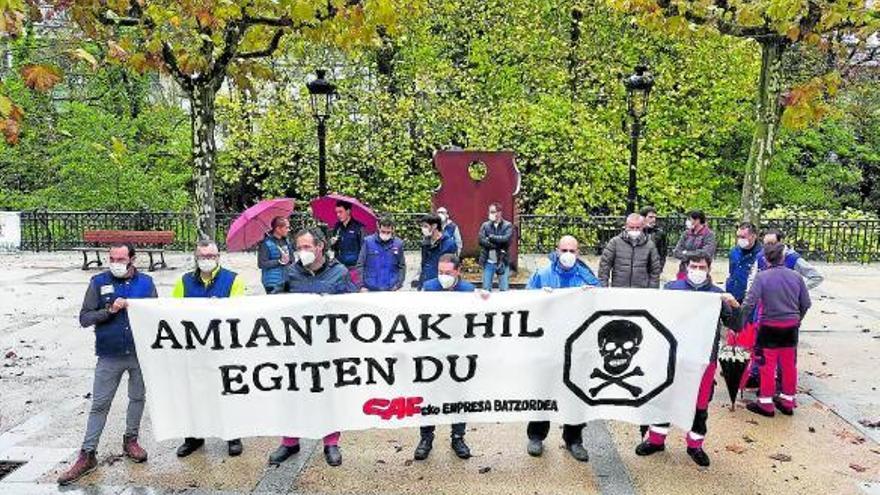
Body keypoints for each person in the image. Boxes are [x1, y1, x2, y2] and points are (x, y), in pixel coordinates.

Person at [58, 243, 157, 485]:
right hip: (109, 354)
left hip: (139, 353)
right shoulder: (98, 282)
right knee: (100, 403)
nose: (115, 263)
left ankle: (131, 440)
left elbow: (157, 314)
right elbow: (85, 318)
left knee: (137, 398)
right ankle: (87, 453)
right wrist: (109, 310)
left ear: (132, 259)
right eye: (112, 258)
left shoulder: (146, 283)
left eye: (121, 259)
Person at [635, 251, 741, 467]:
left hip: (704, 359)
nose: (698, 271)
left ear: (709, 269)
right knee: (665, 397)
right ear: (686, 267)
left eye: (702, 267)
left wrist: (735, 306)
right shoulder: (672, 289)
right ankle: (656, 440)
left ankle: (695, 445)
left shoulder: (717, 295)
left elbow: (736, 325)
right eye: (694, 266)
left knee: (700, 403)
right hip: (674, 357)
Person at [269, 227, 356, 467]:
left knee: (329, 396)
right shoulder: (291, 272)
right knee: (292, 394)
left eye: (306, 247)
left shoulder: (339, 272)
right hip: (296, 347)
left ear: (320, 247)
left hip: (328, 348)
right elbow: (273, 302)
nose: (302, 251)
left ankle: (331, 443)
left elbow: (352, 306)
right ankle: (290, 442)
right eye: (299, 247)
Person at [525, 235, 600, 462]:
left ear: (578, 253)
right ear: (557, 251)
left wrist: (592, 296)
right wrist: (538, 298)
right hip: (548, 343)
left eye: (572, 250)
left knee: (575, 392)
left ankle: (574, 439)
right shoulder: (542, 274)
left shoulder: (586, 277)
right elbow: (524, 301)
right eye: (564, 250)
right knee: (543, 389)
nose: (568, 254)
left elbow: (600, 306)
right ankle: (536, 435)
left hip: (577, 346)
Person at [173, 240, 246, 458]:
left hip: (223, 346)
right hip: (194, 346)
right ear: (196, 258)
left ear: (218, 257)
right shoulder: (184, 281)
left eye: (211, 256)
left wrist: (221, 308)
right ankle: (193, 437)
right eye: (203, 256)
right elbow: (173, 311)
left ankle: (233, 435)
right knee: (194, 392)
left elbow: (240, 311)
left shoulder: (233, 280)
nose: (207, 260)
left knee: (227, 390)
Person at [415, 254, 476, 461]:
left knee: (459, 396)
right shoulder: (429, 287)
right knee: (429, 396)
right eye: (440, 272)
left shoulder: (468, 290)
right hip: (432, 353)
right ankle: (426, 438)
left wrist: (486, 301)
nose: (443, 276)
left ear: (458, 271)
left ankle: (458, 437)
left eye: (448, 273)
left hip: (458, 353)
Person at [743, 242, 811, 417]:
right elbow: (806, 303)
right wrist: (797, 319)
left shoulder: (762, 277)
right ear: (783, 258)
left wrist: (740, 320)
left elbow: (750, 302)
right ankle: (788, 401)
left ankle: (765, 403)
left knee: (767, 364)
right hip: (790, 325)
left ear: (765, 259)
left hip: (769, 325)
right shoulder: (796, 277)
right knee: (789, 365)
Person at [598, 213, 661, 288]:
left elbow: (655, 270)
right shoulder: (614, 243)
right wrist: (603, 287)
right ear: (626, 226)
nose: (634, 230)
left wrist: (652, 290)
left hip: (641, 289)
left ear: (642, 227)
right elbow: (604, 266)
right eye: (631, 227)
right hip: (619, 288)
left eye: (638, 227)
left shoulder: (649, 245)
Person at [759, 229, 824, 289]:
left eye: (772, 243)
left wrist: (797, 290)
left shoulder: (793, 258)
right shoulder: (760, 256)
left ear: (781, 241)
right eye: (766, 244)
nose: (768, 247)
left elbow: (817, 277)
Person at [356, 217, 406, 292]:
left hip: (391, 288)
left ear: (393, 229)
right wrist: (361, 285)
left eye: (388, 232)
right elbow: (360, 264)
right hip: (370, 288)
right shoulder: (368, 242)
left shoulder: (398, 244)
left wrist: (398, 285)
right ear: (378, 228)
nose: (385, 234)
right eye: (383, 231)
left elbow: (402, 266)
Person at [478, 202, 514, 291]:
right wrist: (497, 244)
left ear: (499, 213)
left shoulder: (507, 225)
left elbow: (506, 239)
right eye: (490, 212)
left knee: (504, 288)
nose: (490, 214)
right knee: (486, 288)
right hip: (488, 261)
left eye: (493, 212)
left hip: (502, 260)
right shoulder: (485, 225)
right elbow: (481, 240)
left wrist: (491, 237)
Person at [726, 222, 763, 304]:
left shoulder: (761, 255)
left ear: (753, 236)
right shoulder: (734, 251)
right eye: (738, 236)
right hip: (733, 295)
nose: (740, 239)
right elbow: (731, 273)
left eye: (743, 237)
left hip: (751, 298)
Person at [673, 210, 717, 278]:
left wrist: (686, 253)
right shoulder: (686, 233)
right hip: (684, 270)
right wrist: (693, 256)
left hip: (700, 271)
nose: (688, 221)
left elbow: (706, 253)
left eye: (689, 219)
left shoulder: (709, 234)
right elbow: (676, 252)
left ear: (697, 220)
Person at [417, 214, 458, 289]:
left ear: (434, 226)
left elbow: (451, 267)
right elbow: (423, 264)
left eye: (425, 226)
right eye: (422, 226)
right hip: (425, 282)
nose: (423, 229)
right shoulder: (425, 242)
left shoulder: (449, 244)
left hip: (439, 284)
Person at [258, 216, 293, 294]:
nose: (288, 230)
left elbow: (292, 259)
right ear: (278, 229)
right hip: (272, 282)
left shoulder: (286, 241)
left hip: (286, 279)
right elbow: (261, 264)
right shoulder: (266, 244)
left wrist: (289, 259)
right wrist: (279, 261)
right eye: (286, 228)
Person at [330, 200, 364, 270]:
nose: (338, 215)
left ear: (348, 211)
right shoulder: (337, 226)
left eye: (340, 212)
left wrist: (360, 266)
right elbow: (334, 249)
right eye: (337, 212)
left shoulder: (359, 227)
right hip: (339, 266)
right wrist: (332, 244)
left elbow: (363, 249)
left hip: (354, 267)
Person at [641, 206, 668, 273]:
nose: (653, 220)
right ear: (643, 218)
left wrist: (659, 268)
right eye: (650, 217)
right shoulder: (636, 232)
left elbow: (663, 253)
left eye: (654, 217)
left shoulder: (659, 233)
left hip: (653, 269)